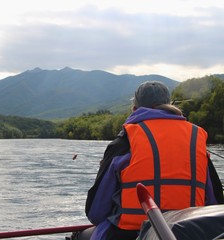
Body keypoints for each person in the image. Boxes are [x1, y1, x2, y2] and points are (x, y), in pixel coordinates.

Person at [83, 81, 224, 240]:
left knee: (83, 235)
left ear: (135, 109)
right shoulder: (196, 139)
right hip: (190, 233)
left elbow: (96, 212)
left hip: (129, 234)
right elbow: (216, 204)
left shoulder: (124, 142)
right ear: (169, 106)